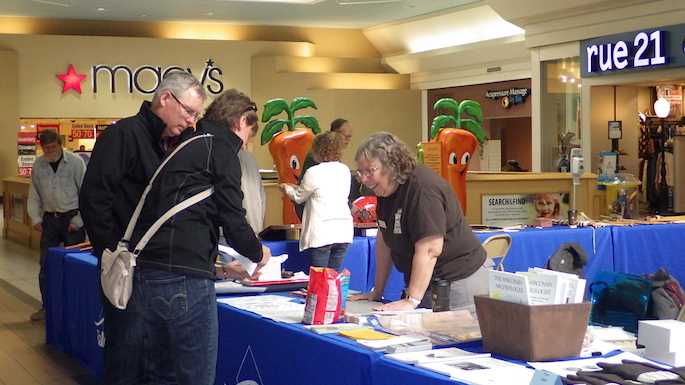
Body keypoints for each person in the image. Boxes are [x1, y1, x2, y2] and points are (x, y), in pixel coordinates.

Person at [125, 88, 270, 385]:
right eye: (249, 136)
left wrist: (219, 269)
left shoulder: (185, 145)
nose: (245, 146)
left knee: (159, 374)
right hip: (185, 282)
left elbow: (179, 221)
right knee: (196, 376)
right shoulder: (221, 149)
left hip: (147, 276)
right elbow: (233, 219)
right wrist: (258, 253)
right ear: (242, 120)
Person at [79, 71, 206, 385]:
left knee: (159, 363)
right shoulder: (123, 135)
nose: (192, 121)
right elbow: (95, 199)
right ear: (165, 98)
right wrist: (113, 253)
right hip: (128, 269)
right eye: (189, 111)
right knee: (127, 358)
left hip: (162, 271)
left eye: (196, 115)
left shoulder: (176, 143)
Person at [350, 132, 489, 311]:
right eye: (361, 172)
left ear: (392, 165)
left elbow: (431, 249)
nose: (364, 179)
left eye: (370, 171)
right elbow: (384, 240)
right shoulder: (385, 189)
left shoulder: (423, 189)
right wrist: (377, 291)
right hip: (428, 282)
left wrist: (412, 301)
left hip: (458, 280)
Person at [27, 129, 86, 321]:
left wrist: (79, 221)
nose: (50, 150)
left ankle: (74, 308)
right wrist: (35, 218)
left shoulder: (75, 163)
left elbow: (86, 194)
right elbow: (34, 194)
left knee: (74, 265)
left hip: (72, 219)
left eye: (53, 146)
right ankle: (47, 307)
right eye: (46, 148)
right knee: (46, 265)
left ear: (60, 144)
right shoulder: (39, 165)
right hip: (50, 219)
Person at [280, 131, 353, 271]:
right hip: (342, 231)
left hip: (321, 234)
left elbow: (299, 197)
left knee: (319, 280)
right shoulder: (345, 170)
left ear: (318, 150)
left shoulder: (313, 172)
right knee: (332, 279)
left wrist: (286, 189)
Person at [295, 118, 353, 220]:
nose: (348, 141)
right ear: (335, 134)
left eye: (350, 137)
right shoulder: (315, 159)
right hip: (317, 215)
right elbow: (303, 194)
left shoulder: (342, 167)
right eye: (346, 137)